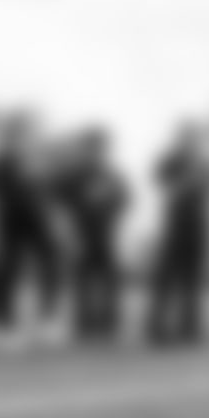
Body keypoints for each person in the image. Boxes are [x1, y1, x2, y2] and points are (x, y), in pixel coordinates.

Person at [0, 111, 69, 350]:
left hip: (40, 225)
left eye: (26, 132)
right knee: (5, 273)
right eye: (17, 134)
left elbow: (53, 198)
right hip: (8, 225)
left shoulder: (43, 160)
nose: (22, 138)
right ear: (9, 137)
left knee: (51, 270)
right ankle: (3, 327)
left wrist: (59, 225)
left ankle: (48, 322)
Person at [146, 121, 209, 348]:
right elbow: (168, 188)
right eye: (186, 137)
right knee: (165, 278)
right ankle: (157, 327)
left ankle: (189, 327)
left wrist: (201, 175)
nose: (191, 141)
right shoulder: (169, 161)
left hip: (200, 224)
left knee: (194, 279)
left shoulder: (207, 163)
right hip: (175, 224)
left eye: (194, 137)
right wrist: (188, 178)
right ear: (179, 138)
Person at [61, 127, 129, 345]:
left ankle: (109, 325)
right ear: (86, 148)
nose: (96, 151)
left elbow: (124, 199)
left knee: (110, 281)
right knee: (82, 282)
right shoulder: (73, 175)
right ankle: (84, 326)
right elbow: (60, 203)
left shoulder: (112, 175)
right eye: (92, 146)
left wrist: (108, 204)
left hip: (106, 235)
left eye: (100, 147)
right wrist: (69, 227)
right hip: (81, 235)